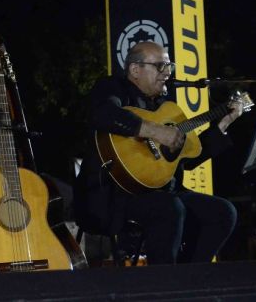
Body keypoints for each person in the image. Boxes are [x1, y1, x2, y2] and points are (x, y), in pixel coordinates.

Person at [73, 41, 244, 265]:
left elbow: (189, 160)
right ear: (135, 70)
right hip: (115, 194)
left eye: (168, 66)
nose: (167, 73)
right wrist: (154, 130)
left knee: (223, 212)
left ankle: (189, 279)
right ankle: (164, 285)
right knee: (169, 208)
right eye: (160, 66)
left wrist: (222, 125)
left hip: (163, 191)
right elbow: (103, 114)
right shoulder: (112, 87)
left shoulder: (167, 108)